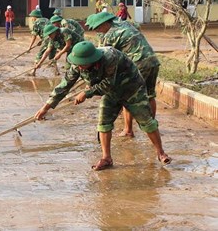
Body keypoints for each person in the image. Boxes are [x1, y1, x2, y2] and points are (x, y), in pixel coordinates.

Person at [34, 41, 172, 171]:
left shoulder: (110, 57)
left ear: (93, 59)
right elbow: (64, 85)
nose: (80, 67)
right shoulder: (77, 65)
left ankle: (161, 153)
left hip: (131, 87)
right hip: (111, 93)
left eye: (83, 64)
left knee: (146, 121)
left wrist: (86, 93)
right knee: (103, 122)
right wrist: (45, 108)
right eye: (78, 64)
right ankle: (106, 158)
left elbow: (108, 83)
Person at [86, 12, 161, 138]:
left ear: (105, 23)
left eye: (98, 28)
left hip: (138, 63)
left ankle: (128, 130)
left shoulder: (110, 36)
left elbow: (103, 58)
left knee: (127, 95)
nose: (98, 31)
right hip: (152, 61)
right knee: (150, 95)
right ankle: (153, 126)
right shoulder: (125, 23)